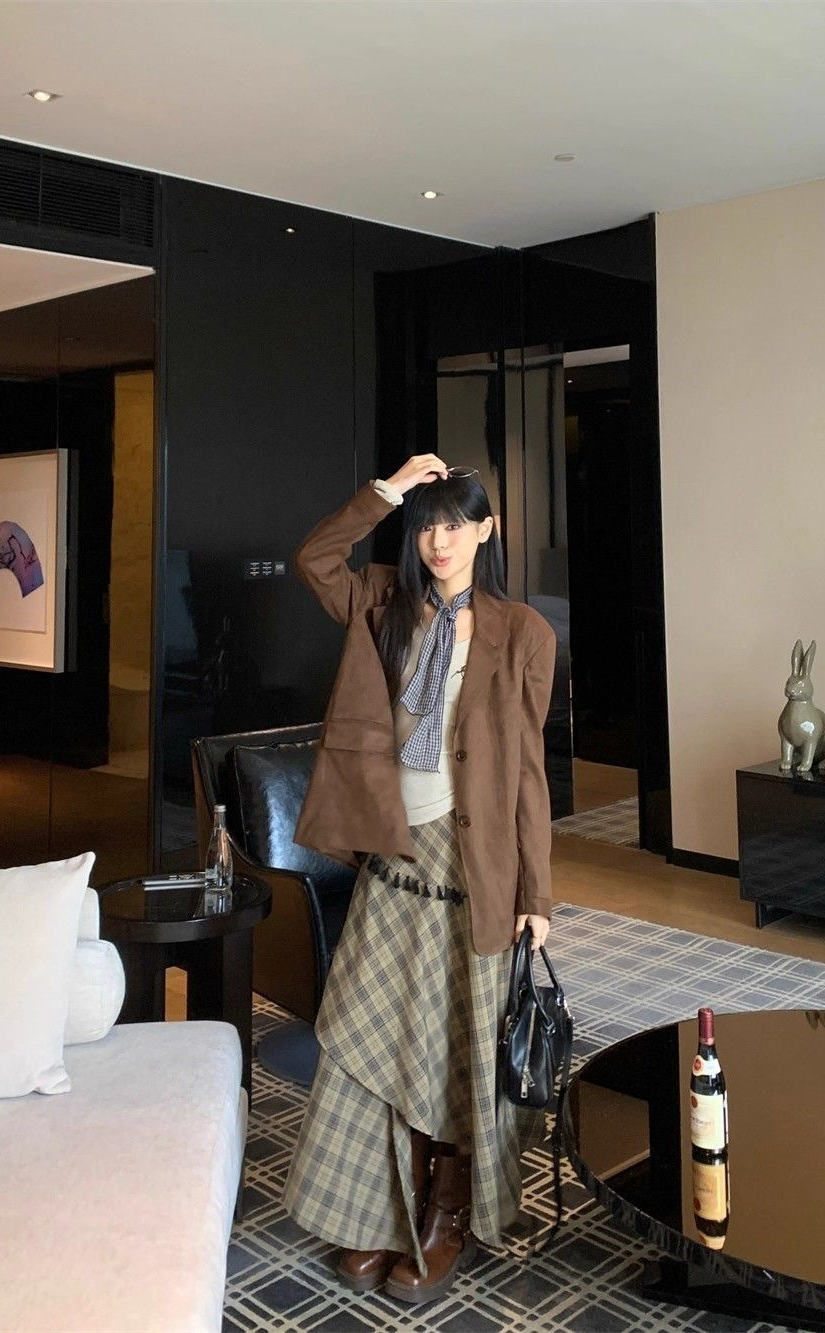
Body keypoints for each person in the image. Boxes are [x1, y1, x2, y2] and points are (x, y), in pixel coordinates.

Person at [281, 453, 557, 1305]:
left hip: (474, 863)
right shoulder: (381, 602)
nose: (439, 540)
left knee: (456, 1039)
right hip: (394, 852)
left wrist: (536, 894)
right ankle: (383, 1210)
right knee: (373, 1026)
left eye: (455, 523)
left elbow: (527, 770)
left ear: (486, 531)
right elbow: (313, 558)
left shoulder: (524, 633)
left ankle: (446, 1212)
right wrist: (388, 490)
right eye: (426, 524)